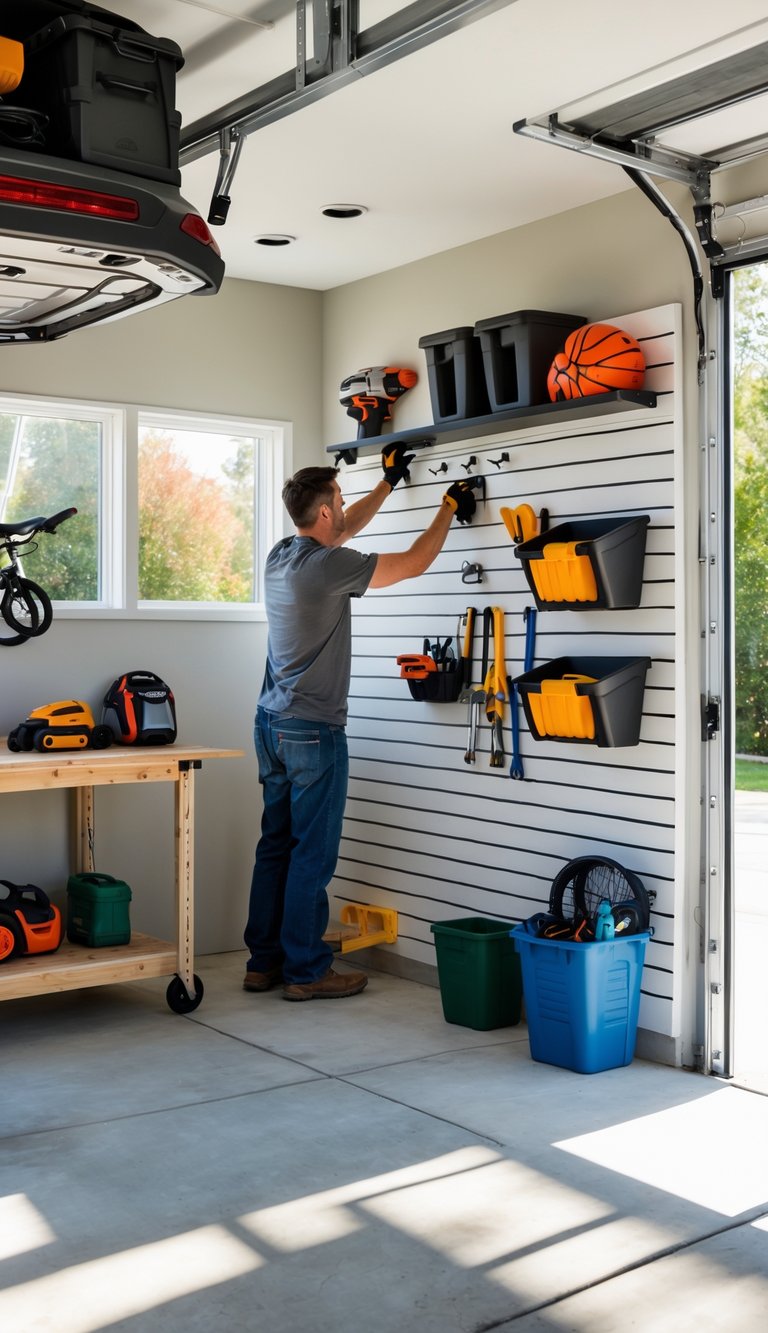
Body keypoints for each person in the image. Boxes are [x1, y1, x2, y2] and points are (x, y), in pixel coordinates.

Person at [243, 445, 476, 1001]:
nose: (344, 511)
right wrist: (447, 506)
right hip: (313, 731)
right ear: (322, 511)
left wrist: (389, 484)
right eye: (339, 502)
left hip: (270, 723)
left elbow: (342, 531)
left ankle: (264, 962)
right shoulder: (330, 568)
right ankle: (306, 972)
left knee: (275, 844)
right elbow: (414, 562)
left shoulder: (282, 555)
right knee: (311, 855)